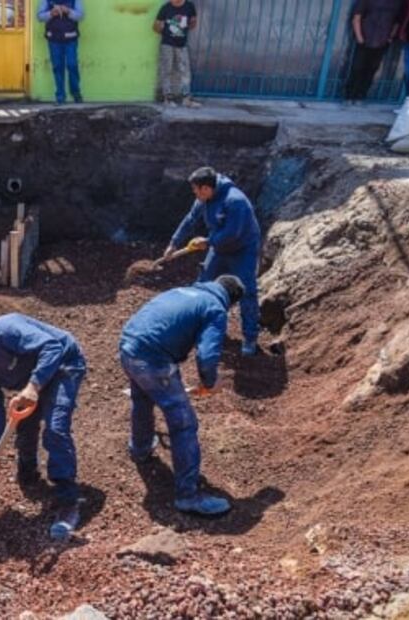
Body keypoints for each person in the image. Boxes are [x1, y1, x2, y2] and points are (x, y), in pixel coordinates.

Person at [0, 313, 86, 540]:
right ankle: (28, 473)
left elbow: (52, 347)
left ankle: (68, 501)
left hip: (63, 365)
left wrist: (33, 386)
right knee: (25, 425)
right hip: (32, 376)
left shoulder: (6, 330)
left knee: (56, 428)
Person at [119, 275, 245, 516]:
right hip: (152, 360)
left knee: (142, 399)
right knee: (184, 424)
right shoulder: (215, 308)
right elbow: (207, 356)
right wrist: (210, 381)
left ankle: (140, 448)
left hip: (129, 347)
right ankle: (188, 496)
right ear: (232, 303)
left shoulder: (183, 289)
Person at [163, 167, 261, 356]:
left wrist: (207, 242)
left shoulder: (235, 202)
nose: (194, 194)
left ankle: (250, 337)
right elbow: (190, 219)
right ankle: (199, 325)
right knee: (204, 285)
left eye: (196, 190)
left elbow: (233, 233)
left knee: (247, 291)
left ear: (206, 188)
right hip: (219, 247)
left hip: (242, 249)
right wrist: (174, 243)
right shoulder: (203, 199)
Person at [345, 0, 402, 103]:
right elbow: (356, 18)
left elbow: (397, 21)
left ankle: (361, 95)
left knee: (371, 69)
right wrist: (359, 38)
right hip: (365, 40)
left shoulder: (397, 3)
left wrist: (390, 37)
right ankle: (349, 95)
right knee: (357, 68)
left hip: (382, 41)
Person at [154, 0, 200, 108]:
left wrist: (181, 30)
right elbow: (155, 26)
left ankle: (186, 99)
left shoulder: (189, 6)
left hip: (182, 45)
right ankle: (167, 99)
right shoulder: (165, 8)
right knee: (166, 71)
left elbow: (193, 22)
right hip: (167, 45)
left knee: (185, 72)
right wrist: (165, 31)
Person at [37, 0, 84, 104]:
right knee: (57, 67)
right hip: (53, 39)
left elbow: (80, 15)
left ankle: (76, 93)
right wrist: (51, 13)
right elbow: (39, 16)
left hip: (70, 38)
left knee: (72, 65)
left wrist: (68, 11)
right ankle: (60, 97)